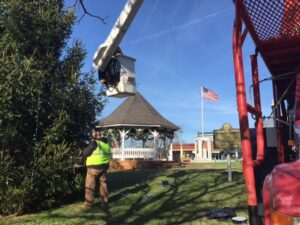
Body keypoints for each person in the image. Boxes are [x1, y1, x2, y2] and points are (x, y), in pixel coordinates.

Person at [83, 130, 112, 209]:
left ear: (96, 137)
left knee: (90, 185)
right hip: (103, 167)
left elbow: (85, 153)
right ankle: (105, 202)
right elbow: (110, 156)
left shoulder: (95, 143)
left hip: (92, 167)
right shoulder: (107, 145)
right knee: (103, 184)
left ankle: (89, 205)